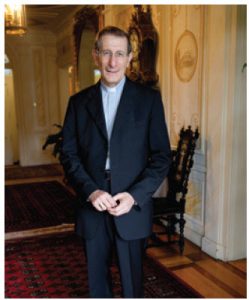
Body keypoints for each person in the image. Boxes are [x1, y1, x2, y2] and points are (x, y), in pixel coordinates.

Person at [60, 26, 171, 298]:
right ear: (95, 55)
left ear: (130, 57)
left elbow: (161, 157)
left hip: (131, 205)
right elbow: (69, 155)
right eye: (107, 52)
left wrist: (134, 197)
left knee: (132, 283)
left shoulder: (149, 100)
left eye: (120, 53)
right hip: (92, 202)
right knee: (97, 282)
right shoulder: (78, 102)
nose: (113, 61)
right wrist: (91, 191)